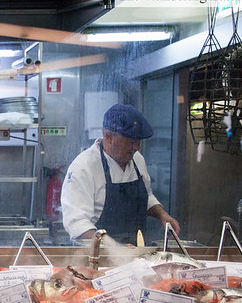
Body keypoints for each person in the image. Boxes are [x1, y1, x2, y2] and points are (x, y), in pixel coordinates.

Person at [60, 103, 180, 244]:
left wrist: (162, 215)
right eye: (131, 142)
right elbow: (77, 224)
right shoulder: (83, 167)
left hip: (135, 254)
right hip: (95, 258)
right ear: (109, 136)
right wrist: (115, 249)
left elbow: (146, 196)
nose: (137, 147)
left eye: (138, 142)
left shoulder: (137, 159)